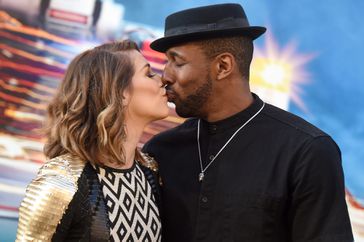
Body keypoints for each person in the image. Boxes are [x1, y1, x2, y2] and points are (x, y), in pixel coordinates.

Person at [142, 3, 354, 242]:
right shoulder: (160, 151)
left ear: (223, 66)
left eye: (177, 62)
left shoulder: (306, 152)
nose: (165, 76)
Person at [16, 40, 168, 241]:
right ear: (120, 92)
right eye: (148, 74)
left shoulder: (152, 173)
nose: (162, 80)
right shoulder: (60, 182)